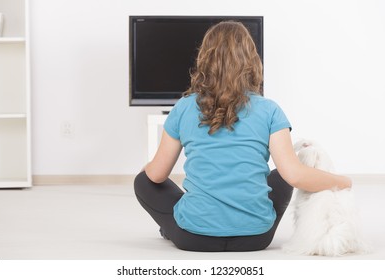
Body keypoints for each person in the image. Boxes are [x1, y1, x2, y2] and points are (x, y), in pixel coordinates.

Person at [134, 21, 352, 252]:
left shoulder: (184, 107)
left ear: (205, 60)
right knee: (282, 173)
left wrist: (146, 169)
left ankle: (173, 226)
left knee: (143, 181)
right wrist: (344, 182)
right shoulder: (269, 110)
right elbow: (295, 175)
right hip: (256, 238)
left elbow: (156, 175)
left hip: (194, 238)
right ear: (251, 61)